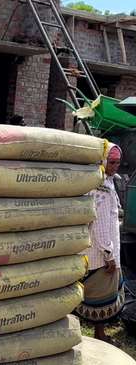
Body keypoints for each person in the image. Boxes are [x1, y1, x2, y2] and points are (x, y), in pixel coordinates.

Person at [75, 144, 125, 342]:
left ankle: (98, 334)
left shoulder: (106, 181)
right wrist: (109, 254)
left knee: (100, 294)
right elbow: (100, 224)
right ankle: (98, 334)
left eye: (118, 163)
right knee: (98, 296)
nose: (115, 167)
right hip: (100, 253)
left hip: (98, 250)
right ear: (102, 161)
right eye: (111, 162)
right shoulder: (101, 187)